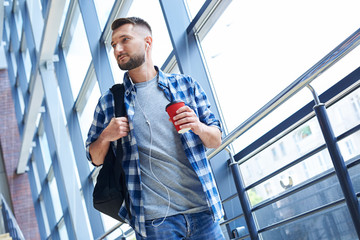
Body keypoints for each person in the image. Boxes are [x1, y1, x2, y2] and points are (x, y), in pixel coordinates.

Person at [86, 17, 225, 239]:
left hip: (202, 212)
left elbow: (216, 140)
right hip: (155, 222)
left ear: (147, 42)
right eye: (113, 45)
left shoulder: (186, 86)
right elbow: (95, 158)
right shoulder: (110, 101)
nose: (117, 49)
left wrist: (197, 126)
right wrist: (105, 136)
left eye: (125, 40)